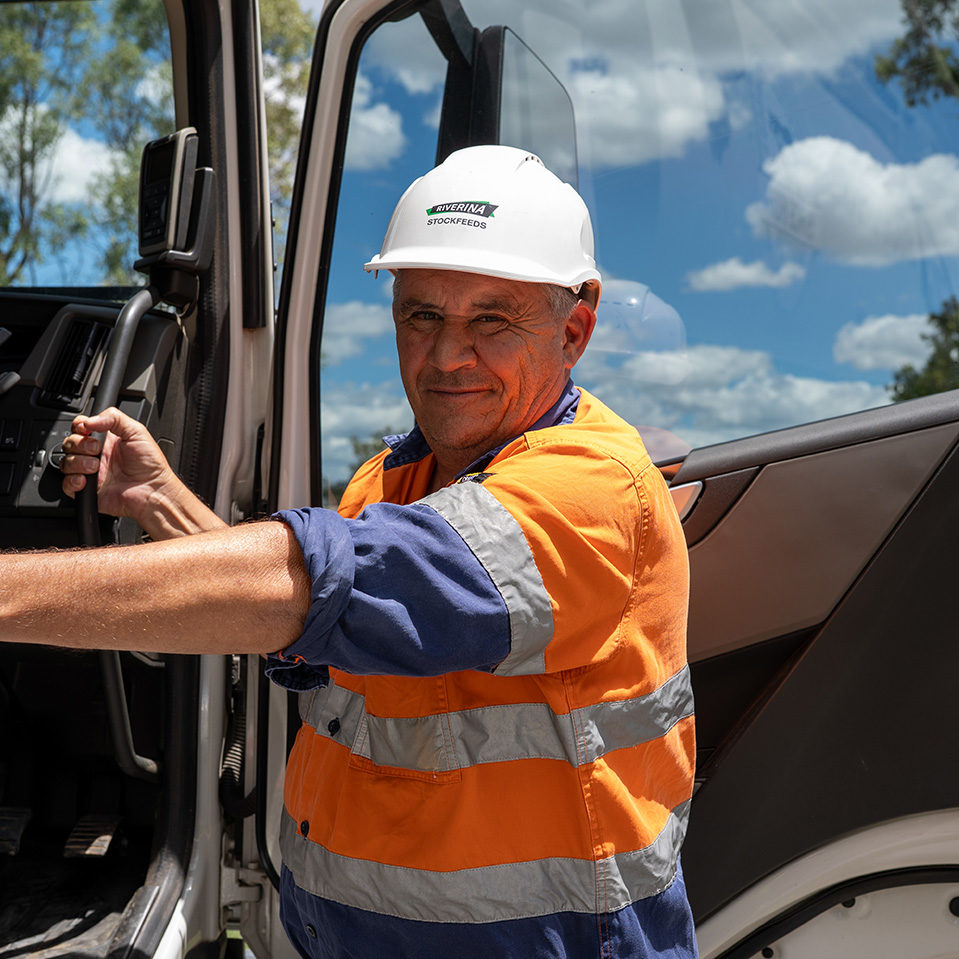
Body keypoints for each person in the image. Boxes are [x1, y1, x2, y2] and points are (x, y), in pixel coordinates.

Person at [1, 145, 697, 958]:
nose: (447, 356)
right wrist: (159, 499)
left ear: (572, 329)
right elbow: (314, 609)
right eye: (422, 315)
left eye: (491, 320)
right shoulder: (394, 480)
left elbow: (329, 581)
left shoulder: (592, 489)